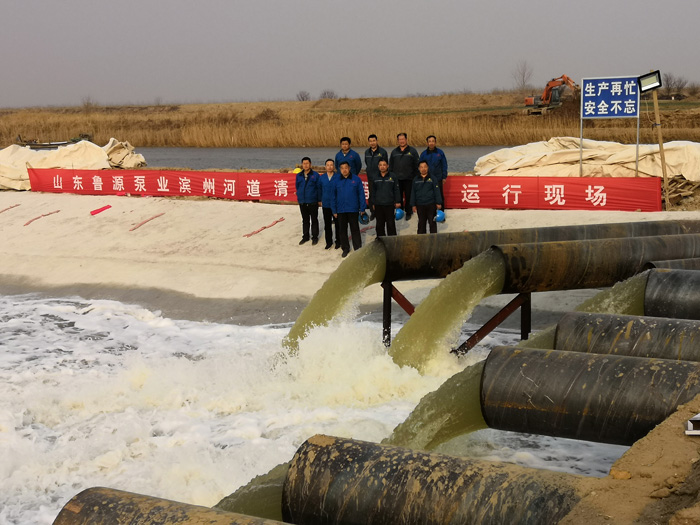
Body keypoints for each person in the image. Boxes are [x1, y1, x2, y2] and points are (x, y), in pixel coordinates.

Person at [332, 161, 367, 258]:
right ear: (339, 169)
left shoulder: (356, 179)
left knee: (355, 229)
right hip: (341, 210)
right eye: (342, 168)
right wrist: (334, 210)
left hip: (353, 209)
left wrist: (362, 208)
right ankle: (345, 248)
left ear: (349, 168)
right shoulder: (336, 180)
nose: (344, 170)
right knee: (342, 230)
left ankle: (357, 248)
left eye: (346, 167)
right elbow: (333, 196)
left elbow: (361, 194)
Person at [389, 132, 419, 221]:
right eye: (400, 139)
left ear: (406, 140)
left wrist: (416, 177)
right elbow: (391, 166)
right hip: (397, 178)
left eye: (403, 139)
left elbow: (417, 165)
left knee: (408, 195)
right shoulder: (394, 152)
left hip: (409, 178)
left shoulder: (412, 151)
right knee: (398, 196)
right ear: (398, 141)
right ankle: (400, 211)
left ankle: (408, 212)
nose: (401, 141)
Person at [369, 159, 401, 237]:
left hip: (389, 204)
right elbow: (373, 191)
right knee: (379, 224)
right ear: (378, 166)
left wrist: (398, 201)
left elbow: (396, 190)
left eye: (384, 165)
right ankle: (381, 239)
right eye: (380, 165)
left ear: (387, 166)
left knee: (390, 223)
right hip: (378, 204)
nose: (382, 167)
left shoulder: (393, 176)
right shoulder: (375, 177)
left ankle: (392, 239)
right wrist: (373, 203)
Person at [410, 160, 442, 234]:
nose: (423, 169)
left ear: (428, 167)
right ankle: (421, 238)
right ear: (419, 168)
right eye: (421, 167)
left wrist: (438, 202)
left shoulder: (433, 178)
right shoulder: (416, 179)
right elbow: (413, 192)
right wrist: (413, 204)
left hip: (431, 204)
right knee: (421, 223)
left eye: (425, 167)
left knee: (432, 222)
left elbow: (437, 191)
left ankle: (433, 238)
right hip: (420, 204)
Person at [295, 156, 322, 245]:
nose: (305, 165)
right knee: (305, 220)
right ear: (302, 165)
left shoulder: (315, 175)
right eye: (304, 163)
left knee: (314, 220)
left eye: (307, 163)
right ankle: (305, 236)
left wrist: (319, 200)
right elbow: (297, 187)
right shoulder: (299, 175)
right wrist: (299, 197)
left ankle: (315, 237)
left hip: (312, 201)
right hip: (303, 202)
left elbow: (319, 188)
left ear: (310, 164)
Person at [419, 135, 448, 215]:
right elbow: (420, 166)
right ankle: (430, 213)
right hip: (427, 178)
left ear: (435, 142)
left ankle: (441, 214)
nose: (431, 143)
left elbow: (444, 165)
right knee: (429, 196)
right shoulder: (424, 154)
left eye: (433, 141)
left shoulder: (440, 153)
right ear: (427, 143)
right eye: (429, 141)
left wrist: (444, 177)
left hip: (438, 178)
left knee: (439, 195)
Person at [364, 134, 388, 220]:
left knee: (382, 194)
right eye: (370, 141)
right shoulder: (367, 152)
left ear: (377, 141)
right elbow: (366, 163)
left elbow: (385, 165)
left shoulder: (382, 152)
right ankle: (373, 212)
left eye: (374, 141)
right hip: (371, 178)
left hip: (381, 177)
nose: (372, 143)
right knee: (372, 195)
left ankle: (382, 212)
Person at [319, 158, 340, 249]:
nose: (330, 167)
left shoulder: (338, 177)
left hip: (336, 204)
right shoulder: (322, 178)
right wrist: (320, 200)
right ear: (325, 167)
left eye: (331, 165)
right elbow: (319, 190)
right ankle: (329, 242)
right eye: (328, 165)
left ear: (334, 166)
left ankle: (338, 241)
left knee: (338, 224)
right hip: (326, 204)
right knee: (327, 224)